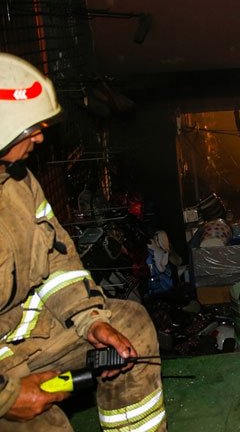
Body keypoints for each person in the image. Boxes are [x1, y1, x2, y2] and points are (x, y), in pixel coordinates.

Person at [0, 53, 166, 430]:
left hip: (19, 339)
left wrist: (90, 321)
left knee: (130, 329)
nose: (40, 137)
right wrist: (8, 395)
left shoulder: (20, 183)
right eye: (29, 128)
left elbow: (57, 264)